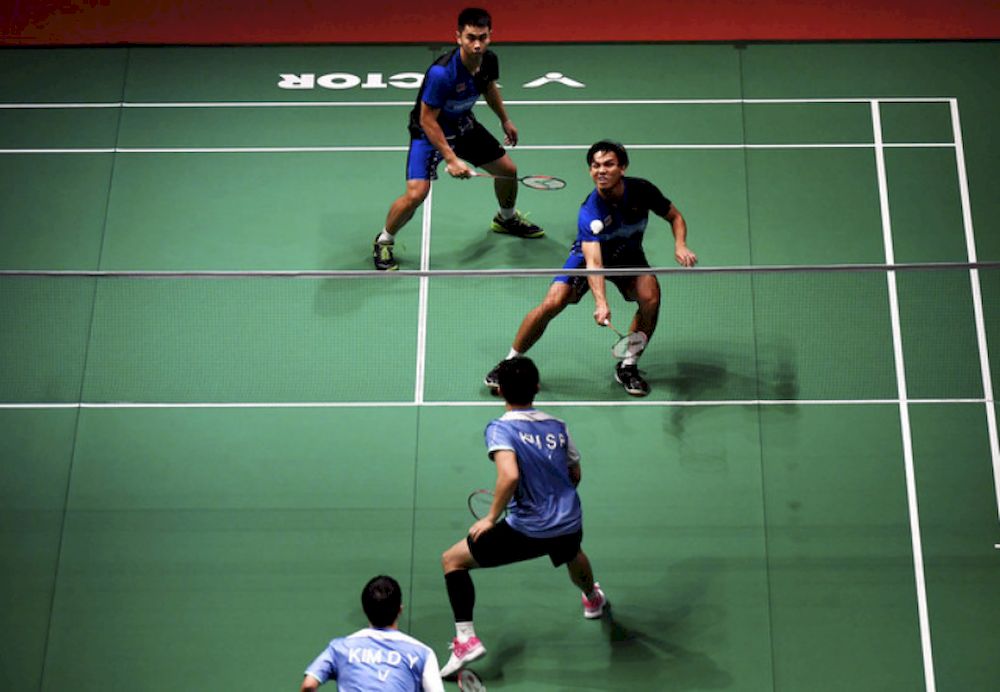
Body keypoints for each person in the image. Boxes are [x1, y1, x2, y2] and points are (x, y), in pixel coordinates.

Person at [484, 140, 697, 397]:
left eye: (608, 164)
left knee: (650, 298)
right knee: (553, 302)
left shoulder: (643, 191)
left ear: (623, 168)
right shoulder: (590, 211)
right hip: (587, 257)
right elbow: (594, 264)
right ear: (590, 171)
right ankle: (509, 362)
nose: (601, 171)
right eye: (595, 166)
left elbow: (675, 216)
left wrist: (680, 245)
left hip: (629, 256)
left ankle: (628, 366)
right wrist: (601, 303)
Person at [439, 357, 607, 677]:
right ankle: (593, 598)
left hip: (528, 529)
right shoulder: (558, 426)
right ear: (538, 388)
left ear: (500, 391)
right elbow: (575, 473)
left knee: (452, 560)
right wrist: (555, 501)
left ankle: (466, 640)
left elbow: (509, 476)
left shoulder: (500, 428)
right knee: (571, 553)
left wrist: (491, 518)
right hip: (569, 518)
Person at [371, 7, 544, 271]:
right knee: (417, 193)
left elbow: (488, 88)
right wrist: (451, 159)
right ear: (458, 37)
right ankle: (384, 240)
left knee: (507, 170)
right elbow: (427, 119)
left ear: (490, 36)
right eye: (471, 37)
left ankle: (506, 219)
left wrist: (505, 119)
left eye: (482, 37)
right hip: (429, 134)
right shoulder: (442, 74)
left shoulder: (489, 60)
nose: (477, 44)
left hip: (464, 126)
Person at [301, 575, 445, 691]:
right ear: (400, 610)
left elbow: (309, 685)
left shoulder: (339, 647)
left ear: (364, 610)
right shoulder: (423, 653)